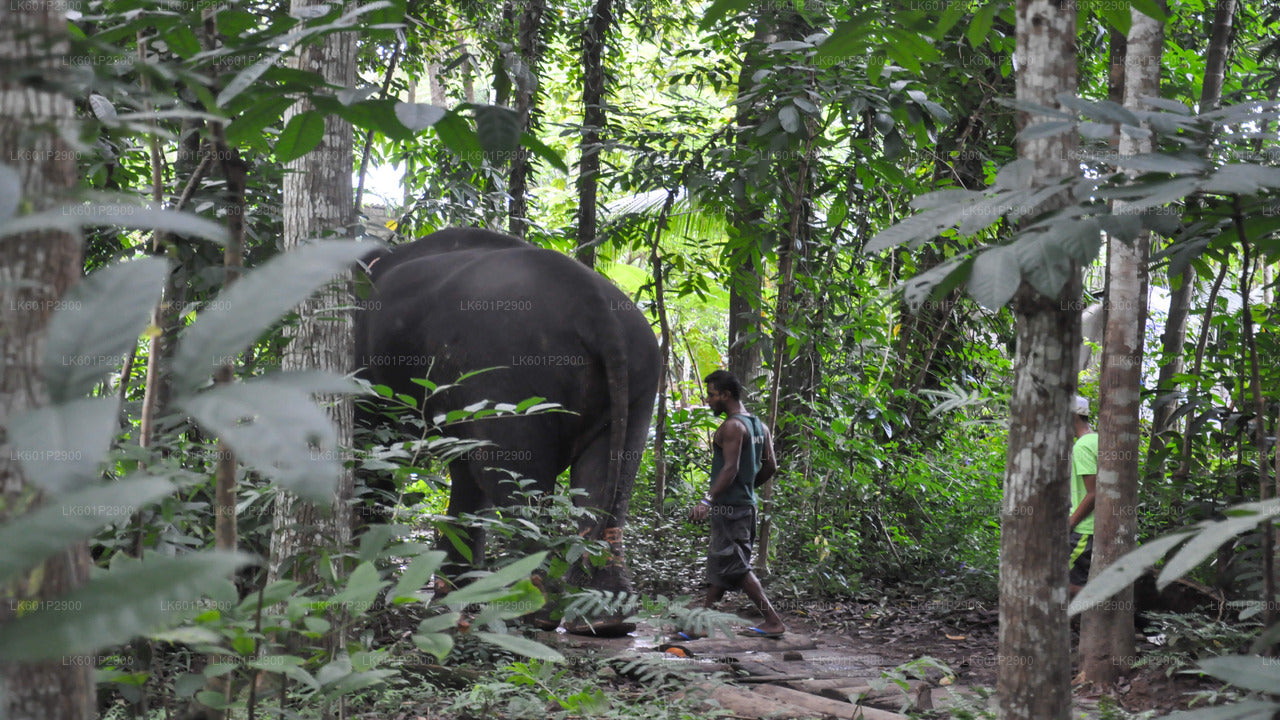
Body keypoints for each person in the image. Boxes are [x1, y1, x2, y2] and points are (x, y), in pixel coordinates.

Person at [685, 370, 786, 638]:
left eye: (712, 395)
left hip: (730, 509)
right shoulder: (758, 426)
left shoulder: (731, 426)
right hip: (745, 506)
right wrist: (746, 487)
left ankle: (773, 620)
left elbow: (730, 468)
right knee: (723, 563)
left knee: (736, 566)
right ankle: (702, 625)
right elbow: (771, 466)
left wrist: (708, 499)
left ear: (726, 395)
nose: (708, 401)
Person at [1069, 394, 1098, 598]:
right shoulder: (1097, 440)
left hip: (1084, 529)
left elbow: (1094, 493)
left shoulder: (1082, 447)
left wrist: (1069, 524)